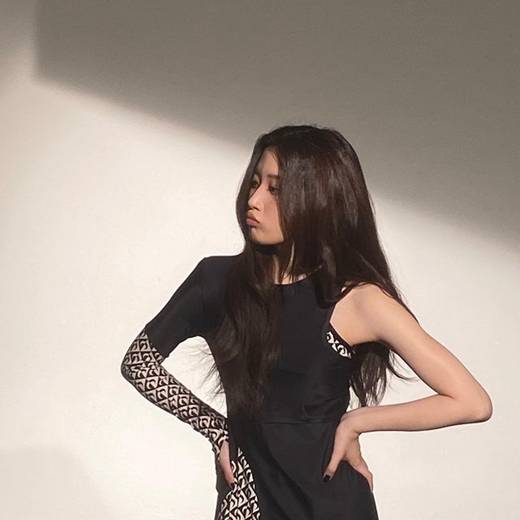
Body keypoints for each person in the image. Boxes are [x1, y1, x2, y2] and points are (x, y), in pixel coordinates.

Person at [120, 124, 493, 519]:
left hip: (332, 501)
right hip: (248, 497)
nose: (254, 200)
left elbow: (472, 402)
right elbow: (138, 363)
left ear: (318, 200)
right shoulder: (215, 281)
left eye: (276, 189)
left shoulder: (356, 300)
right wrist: (216, 429)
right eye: (255, 183)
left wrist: (357, 421)